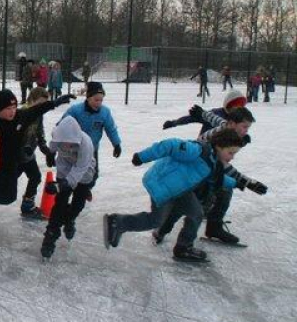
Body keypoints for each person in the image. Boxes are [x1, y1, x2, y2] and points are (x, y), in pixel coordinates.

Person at [104, 129, 245, 262]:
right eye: (231, 152)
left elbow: (217, 177)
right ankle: (117, 222)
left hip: (180, 190)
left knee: (196, 213)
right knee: (156, 221)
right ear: (220, 146)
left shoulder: (213, 162)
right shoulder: (198, 150)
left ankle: (183, 248)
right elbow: (170, 145)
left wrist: (237, 183)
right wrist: (142, 157)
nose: (232, 157)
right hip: (163, 185)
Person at [0, 89, 75, 245]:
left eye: (14, 107)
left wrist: (55, 102)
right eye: (8, 109)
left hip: (11, 165)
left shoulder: (20, 116)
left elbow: (37, 109)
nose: (12, 112)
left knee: (9, 197)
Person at [159, 106, 268, 246]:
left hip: (206, 169)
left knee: (222, 193)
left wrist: (203, 113)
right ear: (233, 124)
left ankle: (213, 228)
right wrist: (247, 182)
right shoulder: (221, 138)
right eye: (244, 127)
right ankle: (168, 232)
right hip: (196, 170)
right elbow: (222, 166)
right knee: (195, 204)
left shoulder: (226, 126)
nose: (246, 131)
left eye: (248, 128)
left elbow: (215, 119)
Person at [36, 116, 97, 259]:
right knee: (59, 205)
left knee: (78, 205)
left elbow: (80, 169)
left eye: (71, 144)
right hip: (64, 168)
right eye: (64, 144)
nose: (68, 147)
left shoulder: (86, 143)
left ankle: (70, 219)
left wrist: (61, 185)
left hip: (84, 174)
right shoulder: (57, 137)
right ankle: (51, 235)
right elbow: (52, 145)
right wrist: (50, 154)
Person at [61, 82, 122, 182]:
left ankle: (84, 190)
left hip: (92, 149)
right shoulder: (76, 110)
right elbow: (62, 125)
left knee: (93, 175)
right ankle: (77, 191)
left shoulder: (105, 112)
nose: (99, 103)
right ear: (88, 98)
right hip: (74, 150)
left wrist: (116, 144)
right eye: (96, 100)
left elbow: (111, 129)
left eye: (101, 100)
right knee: (73, 173)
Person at [18, 88, 59, 218]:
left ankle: (27, 207)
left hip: (28, 156)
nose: (44, 107)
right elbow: (14, 134)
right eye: (41, 103)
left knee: (35, 177)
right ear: (32, 99)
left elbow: (40, 134)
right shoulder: (22, 112)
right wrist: (23, 147)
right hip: (15, 157)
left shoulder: (39, 115)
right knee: (6, 186)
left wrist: (46, 150)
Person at [162, 89, 247, 135]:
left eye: (241, 107)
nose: (238, 109)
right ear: (228, 105)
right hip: (204, 148)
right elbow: (190, 118)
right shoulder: (214, 114)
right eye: (235, 106)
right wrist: (173, 123)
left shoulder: (238, 120)